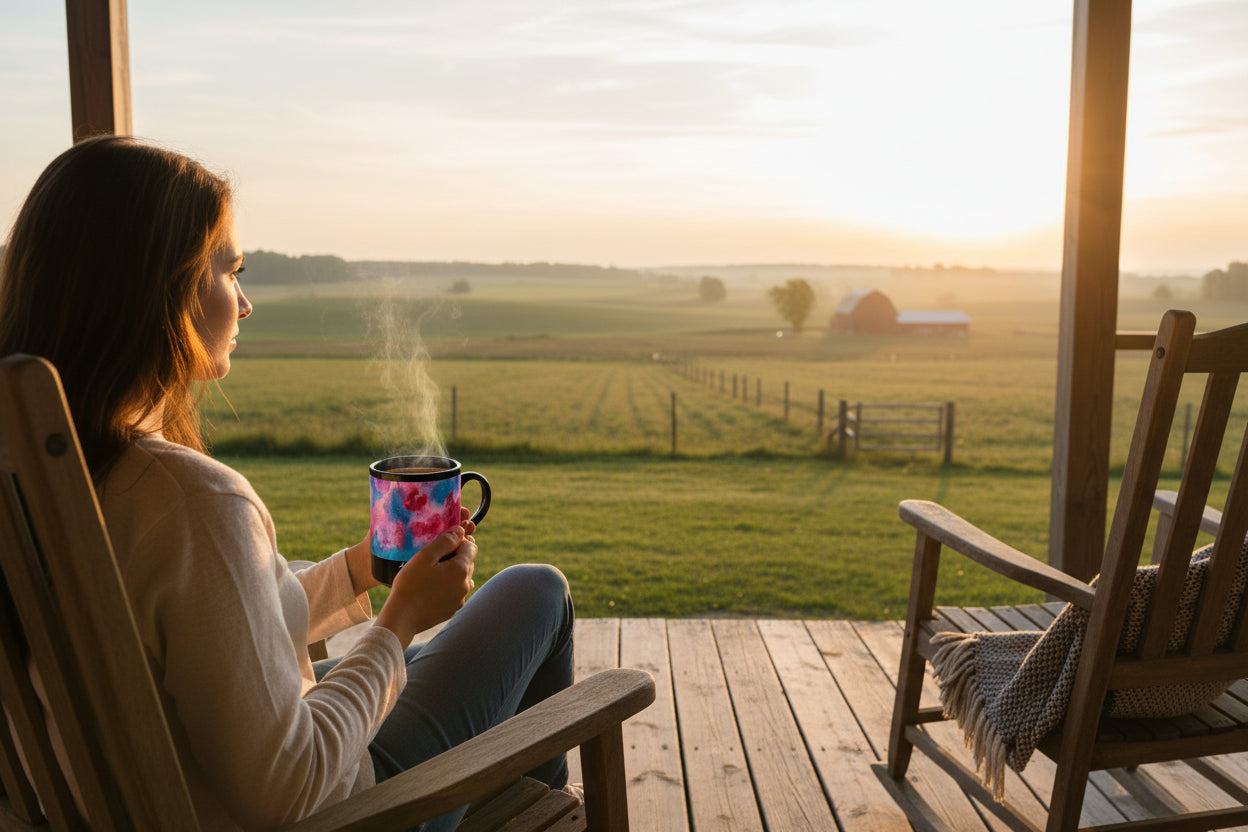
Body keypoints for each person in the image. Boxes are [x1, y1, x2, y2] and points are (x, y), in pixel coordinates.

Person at [0, 135, 575, 831]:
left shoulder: (58, 477)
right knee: (535, 592)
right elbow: (289, 790)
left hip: (171, 784)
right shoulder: (193, 502)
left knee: (425, 661)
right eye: (230, 271)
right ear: (161, 287)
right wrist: (397, 625)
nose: (243, 304)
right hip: (349, 812)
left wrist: (361, 571)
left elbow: (217, 636)